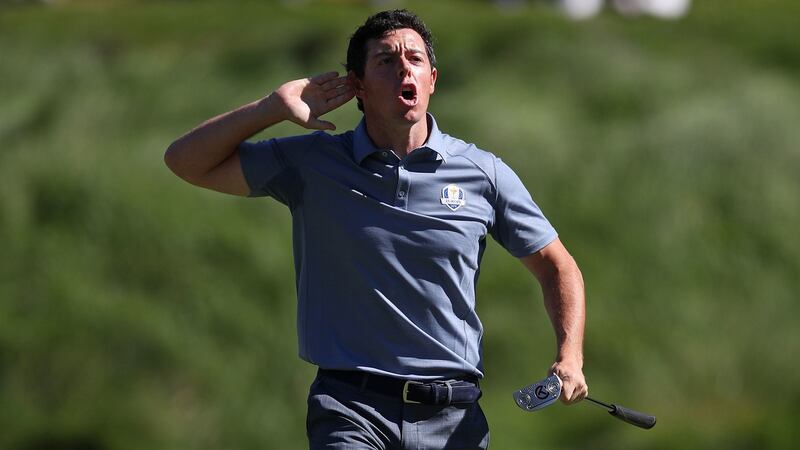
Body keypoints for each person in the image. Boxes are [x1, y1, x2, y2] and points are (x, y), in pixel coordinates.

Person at [164, 9, 587, 449]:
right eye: (386, 60)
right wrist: (271, 108)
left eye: (416, 59)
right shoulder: (313, 163)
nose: (404, 67)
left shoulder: (483, 173)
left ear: (432, 80)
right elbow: (185, 161)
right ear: (358, 87)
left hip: (452, 413)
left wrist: (570, 357)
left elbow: (557, 266)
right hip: (351, 408)